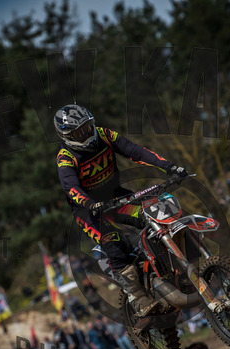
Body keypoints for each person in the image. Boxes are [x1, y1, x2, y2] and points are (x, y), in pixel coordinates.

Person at [54, 104, 188, 317]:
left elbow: (135, 151)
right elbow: (71, 189)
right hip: (89, 211)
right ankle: (137, 296)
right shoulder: (65, 157)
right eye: (80, 132)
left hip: (116, 196)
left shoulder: (104, 134)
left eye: (88, 126)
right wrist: (90, 204)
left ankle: (173, 266)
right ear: (68, 135)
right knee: (113, 242)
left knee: (157, 213)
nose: (87, 133)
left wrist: (169, 167)